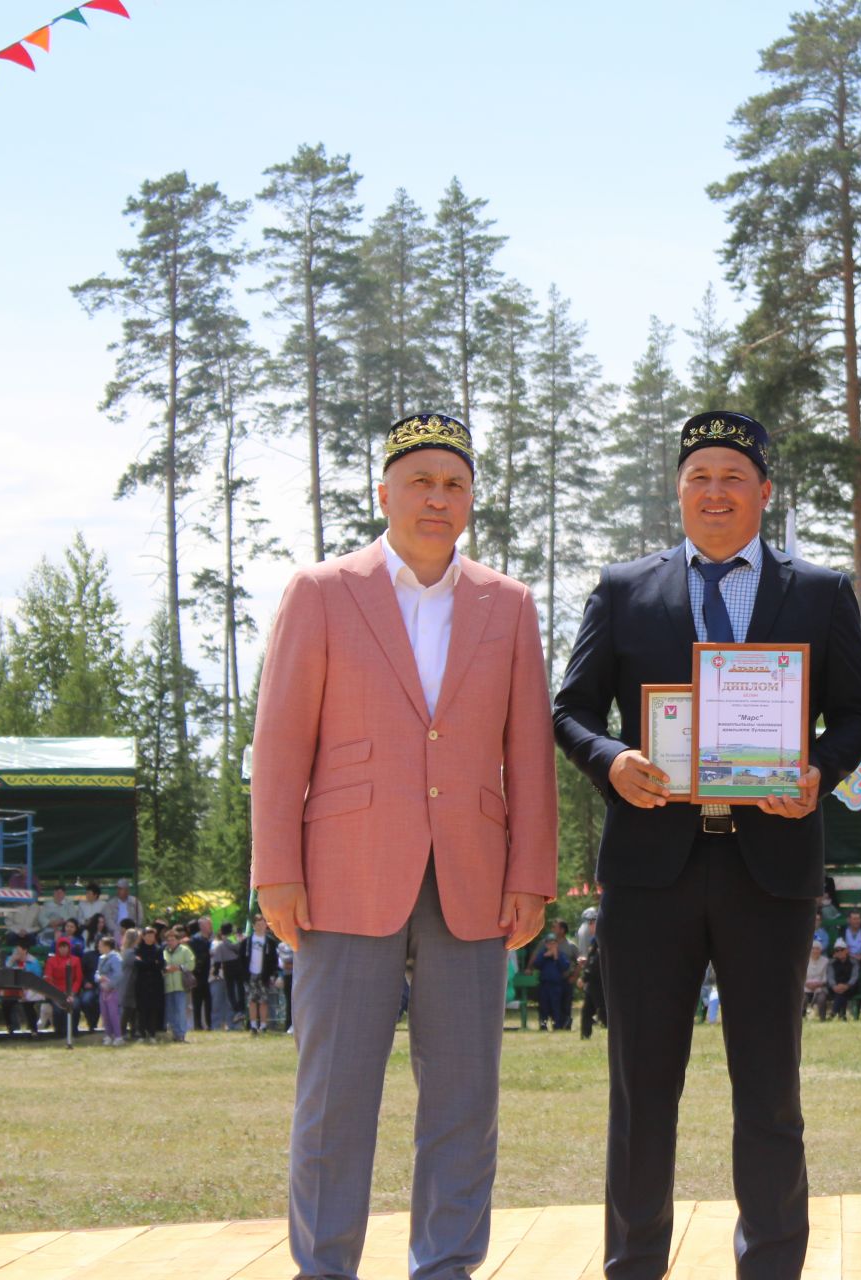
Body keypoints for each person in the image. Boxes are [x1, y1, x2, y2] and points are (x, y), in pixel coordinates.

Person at [554, 410, 861, 1279]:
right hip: (650, 877)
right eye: (698, 476)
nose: (715, 491)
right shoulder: (625, 589)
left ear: (765, 492)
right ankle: (633, 1266)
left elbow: (858, 712)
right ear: (679, 491)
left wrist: (816, 769)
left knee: (770, 1095)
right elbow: (570, 708)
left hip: (767, 873)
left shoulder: (817, 592)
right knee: (641, 1095)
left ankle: (771, 1266)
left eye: (733, 476)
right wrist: (612, 758)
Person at [251, 411, 558, 1279]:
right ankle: (324, 1267)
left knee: (465, 1100)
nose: (437, 497)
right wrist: (275, 868)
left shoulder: (509, 604)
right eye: (419, 481)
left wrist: (531, 872)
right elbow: (280, 742)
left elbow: (527, 750)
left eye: (454, 484)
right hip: (342, 876)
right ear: (382, 491)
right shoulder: (321, 591)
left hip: (473, 878)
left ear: (471, 501)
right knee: (334, 1100)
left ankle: (447, 1266)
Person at [42, 938, 84, 1037]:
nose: (63, 949)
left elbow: (78, 979)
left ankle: (73, 1030)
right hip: (55, 992)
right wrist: (57, 993)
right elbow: (48, 978)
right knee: (58, 1009)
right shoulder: (51, 961)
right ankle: (59, 1031)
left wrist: (72, 992)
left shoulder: (76, 960)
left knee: (75, 1005)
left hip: (71, 992)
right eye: (61, 947)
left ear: (69, 948)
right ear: (57, 948)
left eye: (65, 947)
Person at [532, 935, 573, 1031]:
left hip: (556, 985)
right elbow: (536, 964)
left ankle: (557, 1024)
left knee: (556, 1006)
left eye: (553, 943)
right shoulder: (543, 954)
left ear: (557, 944)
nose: (551, 945)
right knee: (543, 1006)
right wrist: (545, 956)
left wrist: (556, 957)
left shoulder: (560, 955)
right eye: (549, 943)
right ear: (546, 944)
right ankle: (543, 1023)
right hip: (544, 984)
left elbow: (565, 966)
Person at [245, 914, 278, 1034]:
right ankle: (253, 1025)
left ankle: (263, 1025)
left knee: (264, 1001)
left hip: (264, 975)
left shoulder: (270, 942)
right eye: (258, 924)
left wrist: (273, 974)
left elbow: (274, 960)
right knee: (252, 1000)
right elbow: (242, 959)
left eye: (263, 924)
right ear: (253, 926)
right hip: (251, 974)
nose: (260, 926)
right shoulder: (248, 941)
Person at [134, 925, 166, 1042]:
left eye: (152, 935)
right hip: (142, 983)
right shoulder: (137, 949)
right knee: (142, 1009)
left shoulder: (158, 949)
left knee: (153, 1009)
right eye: (148, 935)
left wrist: (147, 963)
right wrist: (152, 963)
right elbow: (138, 964)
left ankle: (152, 1033)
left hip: (155, 983)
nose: (150, 938)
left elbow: (161, 965)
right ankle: (142, 1033)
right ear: (143, 936)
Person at [163, 925, 194, 1044]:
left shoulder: (185, 950)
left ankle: (181, 1034)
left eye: (173, 939)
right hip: (168, 986)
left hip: (180, 985)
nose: (170, 942)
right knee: (171, 1011)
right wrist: (165, 969)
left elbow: (191, 964)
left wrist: (178, 968)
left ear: (178, 940)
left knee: (180, 1010)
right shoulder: (164, 951)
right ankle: (174, 1033)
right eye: (168, 940)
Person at [210, 923, 240, 1032]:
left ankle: (232, 1024)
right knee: (217, 1002)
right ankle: (216, 1025)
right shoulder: (215, 943)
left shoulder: (233, 941)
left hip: (228, 975)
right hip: (218, 978)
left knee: (231, 1001)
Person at [96, 936, 124, 1046]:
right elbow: (97, 972)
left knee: (114, 1013)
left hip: (113, 991)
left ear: (107, 946)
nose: (99, 947)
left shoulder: (116, 958)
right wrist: (98, 979)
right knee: (105, 1014)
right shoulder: (101, 958)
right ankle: (108, 1035)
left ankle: (118, 1036)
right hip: (103, 990)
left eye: (101, 945)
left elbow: (118, 974)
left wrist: (110, 984)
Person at [820, 940, 859, 1021]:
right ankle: (842, 1016)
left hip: (850, 987)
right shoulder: (831, 963)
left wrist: (847, 986)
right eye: (837, 950)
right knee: (840, 993)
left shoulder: (854, 962)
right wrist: (834, 986)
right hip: (835, 988)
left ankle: (833, 1013)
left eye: (842, 949)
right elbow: (830, 977)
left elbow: (854, 977)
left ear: (847, 950)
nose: (840, 952)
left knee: (842, 993)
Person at [187, 916, 214, 1032]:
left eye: (208, 924)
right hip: (199, 974)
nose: (207, 927)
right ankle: (198, 1024)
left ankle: (209, 1024)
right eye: (204, 925)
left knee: (209, 1001)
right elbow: (194, 957)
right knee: (197, 1001)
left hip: (211, 974)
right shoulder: (195, 940)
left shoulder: (213, 939)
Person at [579, 931, 606, 1040]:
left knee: (602, 1012)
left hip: (598, 987)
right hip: (592, 987)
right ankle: (585, 1035)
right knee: (586, 1012)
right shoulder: (594, 954)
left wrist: (584, 978)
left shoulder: (597, 954)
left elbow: (592, 968)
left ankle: (607, 1028)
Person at [803, 940, 830, 1017]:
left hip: (821, 987)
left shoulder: (825, 961)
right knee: (803, 999)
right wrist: (806, 984)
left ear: (820, 950)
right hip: (806, 987)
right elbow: (802, 976)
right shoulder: (805, 960)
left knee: (821, 998)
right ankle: (801, 1018)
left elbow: (825, 977)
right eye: (813, 948)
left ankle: (822, 1018)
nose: (815, 950)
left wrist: (819, 984)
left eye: (817, 948)